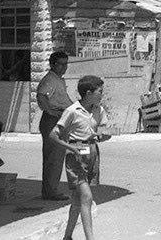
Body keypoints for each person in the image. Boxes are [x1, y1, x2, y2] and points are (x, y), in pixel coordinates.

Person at [49, 75, 111, 240]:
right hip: (76, 154)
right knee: (87, 197)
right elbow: (53, 135)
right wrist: (71, 148)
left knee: (77, 200)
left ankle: (67, 236)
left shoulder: (99, 110)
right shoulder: (72, 111)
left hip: (92, 153)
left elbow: (102, 129)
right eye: (100, 92)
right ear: (89, 93)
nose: (102, 95)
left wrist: (103, 135)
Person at [37, 51, 73, 201]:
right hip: (52, 119)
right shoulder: (50, 80)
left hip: (59, 117)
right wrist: (51, 111)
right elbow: (41, 96)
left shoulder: (58, 80)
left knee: (56, 156)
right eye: (61, 64)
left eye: (66, 64)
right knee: (54, 157)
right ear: (52, 65)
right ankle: (50, 191)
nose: (64, 67)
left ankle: (51, 189)